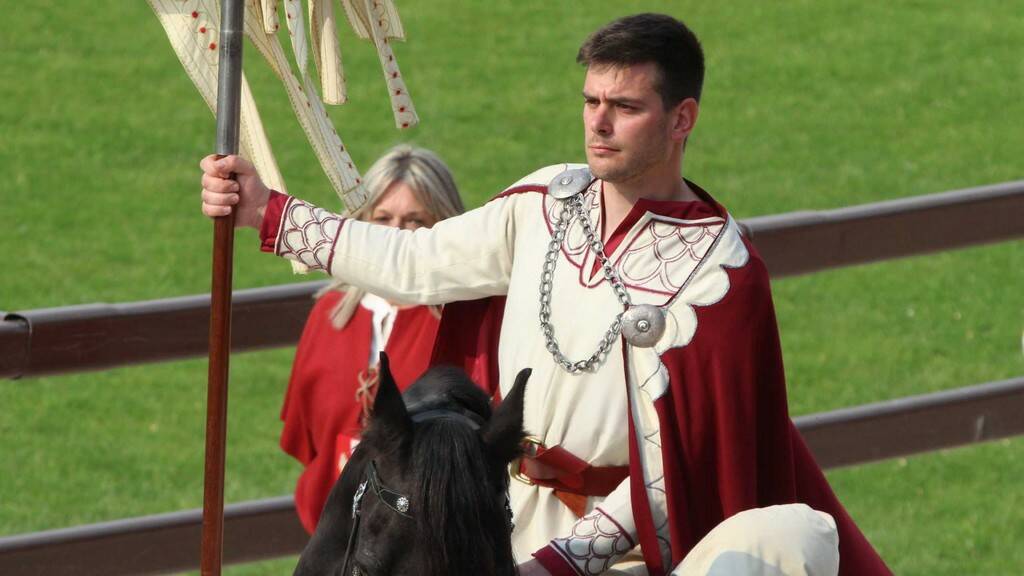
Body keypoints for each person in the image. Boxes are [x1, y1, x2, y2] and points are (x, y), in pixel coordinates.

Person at [201, 13, 892, 576]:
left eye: (625, 107)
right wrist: (270, 211)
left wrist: (560, 565)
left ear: (681, 119)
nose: (598, 123)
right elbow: (414, 262)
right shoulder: (543, 202)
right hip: (496, 525)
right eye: (592, 102)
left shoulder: (720, 277)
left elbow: (681, 472)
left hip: (636, 554)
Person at [278, 145, 465, 534]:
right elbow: (309, 435)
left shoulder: (460, 321)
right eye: (382, 219)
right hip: (335, 534)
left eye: (415, 220)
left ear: (443, 225)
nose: (395, 235)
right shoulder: (330, 313)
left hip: (427, 536)